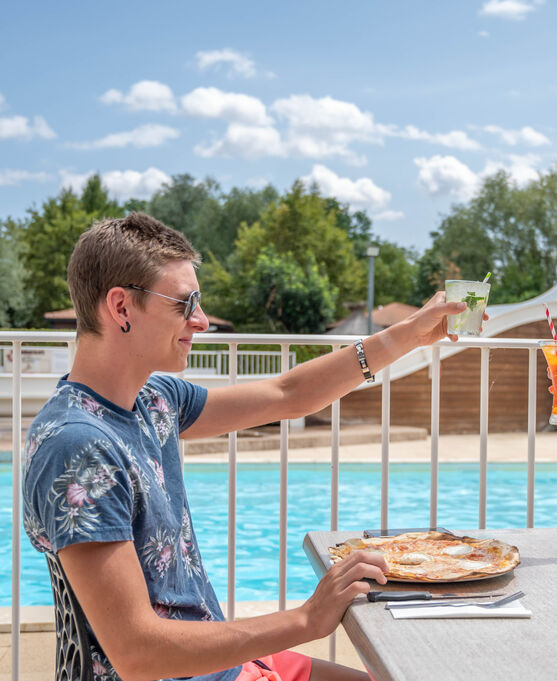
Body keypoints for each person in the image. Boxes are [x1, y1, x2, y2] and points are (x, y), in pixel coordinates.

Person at [22, 213, 470, 681]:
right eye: (184, 303)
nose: (200, 320)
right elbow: (137, 653)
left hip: (214, 664)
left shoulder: (152, 400)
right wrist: (306, 620)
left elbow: (287, 395)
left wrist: (409, 335)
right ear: (121, 308)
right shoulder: (78, 447)